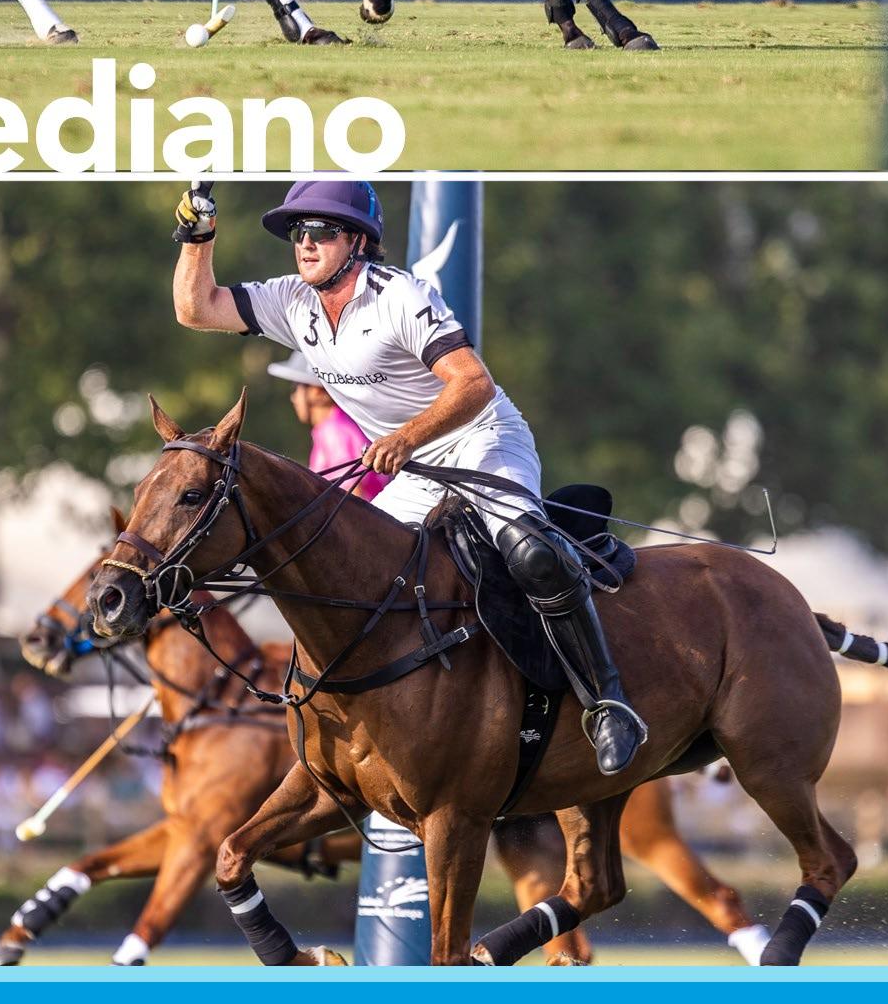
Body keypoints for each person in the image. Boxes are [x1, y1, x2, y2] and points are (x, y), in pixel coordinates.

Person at [171, 179, 648, 777]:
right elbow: (196, 308)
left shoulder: (399, 295)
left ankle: (608, 700)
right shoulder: (290, 300)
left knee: (530, 552)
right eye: (298, 232)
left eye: (321, 231)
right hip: (417, 467)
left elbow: (472, 383)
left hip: (482, 438)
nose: (305, 243)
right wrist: (198, 236)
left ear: (358, 241)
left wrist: (405, 437)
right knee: (353, 574)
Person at [267, 350, 391, 502]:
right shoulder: (331, 428)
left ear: (317, 391)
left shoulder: (335, 431)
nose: (293, 398)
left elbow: (354, 494)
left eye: (295, 387)